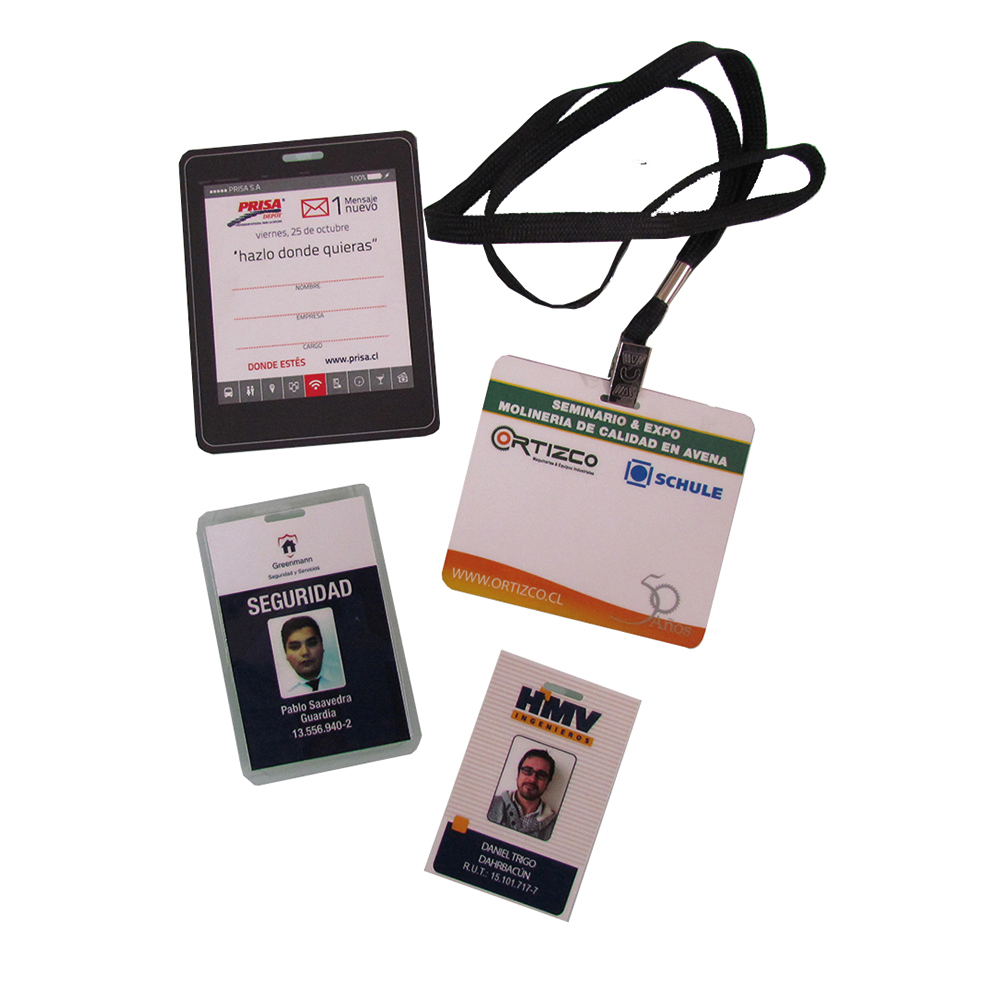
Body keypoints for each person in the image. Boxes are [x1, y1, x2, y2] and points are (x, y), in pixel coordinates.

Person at [488, 748, 559, 840]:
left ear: (547, 783)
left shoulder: (556, 826)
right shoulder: (489, 803)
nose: (532, 779)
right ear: (518, 775)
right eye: (527, 771)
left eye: (541, 775)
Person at [280, 616, 341, 697]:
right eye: (295, 647)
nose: (305, 652)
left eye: (312, 643)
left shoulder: (341, 676)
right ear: (286, 653)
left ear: (322, 646)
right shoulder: (280, 690)